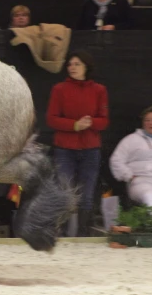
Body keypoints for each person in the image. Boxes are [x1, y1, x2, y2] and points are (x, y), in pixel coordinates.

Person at [46, 50, 109, 236]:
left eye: (77, 64)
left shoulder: (99, 90)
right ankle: (64, 233)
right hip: (65, 149)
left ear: (86, 67)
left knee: (87, 194)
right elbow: (51, 119)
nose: (72, 67)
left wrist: (91, 123)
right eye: (70, 64)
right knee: (65, 191)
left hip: (90, 149)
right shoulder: (59, 89)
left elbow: (104, 121)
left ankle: (83, 234)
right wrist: (74, 125)